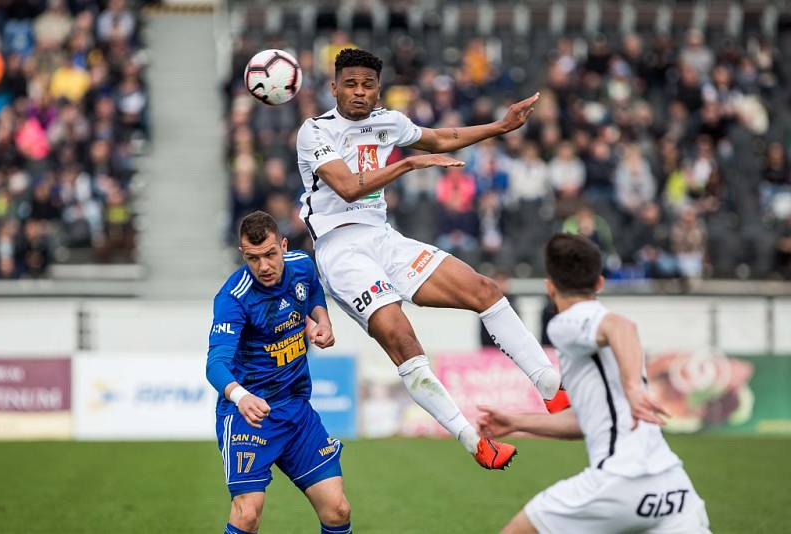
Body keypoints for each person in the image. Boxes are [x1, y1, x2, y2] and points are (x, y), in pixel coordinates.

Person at [296, 48, 560, 470]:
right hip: (341, 251)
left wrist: (501, 126)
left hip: (383, 239)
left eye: (367, 85)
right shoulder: (316, 131)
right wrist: (409, 164)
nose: (359, 92)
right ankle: (474, 441)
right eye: (350, 84)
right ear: (334, 88)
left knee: (484, 289)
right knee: (404, 340)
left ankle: (551, 389)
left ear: (378, 90)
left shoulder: (390, 123)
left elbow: (441, 138)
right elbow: (347, 188)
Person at [478, 233, 711, 533]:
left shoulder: (567, 324)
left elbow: (621, 326)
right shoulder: (606, 337)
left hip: (619, 480)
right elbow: (586, 421)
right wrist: (516, 422)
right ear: (600, 283)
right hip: (672, 486)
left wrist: (632, 389)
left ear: (549, 287)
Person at [206, 211, 352, 534]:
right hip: (250, 415)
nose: (264, 266)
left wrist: (322, 320)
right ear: (243, 255)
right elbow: (215, 365)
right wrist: (241, 397)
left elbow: (313, 291)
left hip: (296, 410)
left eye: (271, 254)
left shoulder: (301, 265)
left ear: (283, 246)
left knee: (337, 509)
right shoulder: (234, 297)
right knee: (247, 515)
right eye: (253, 258)